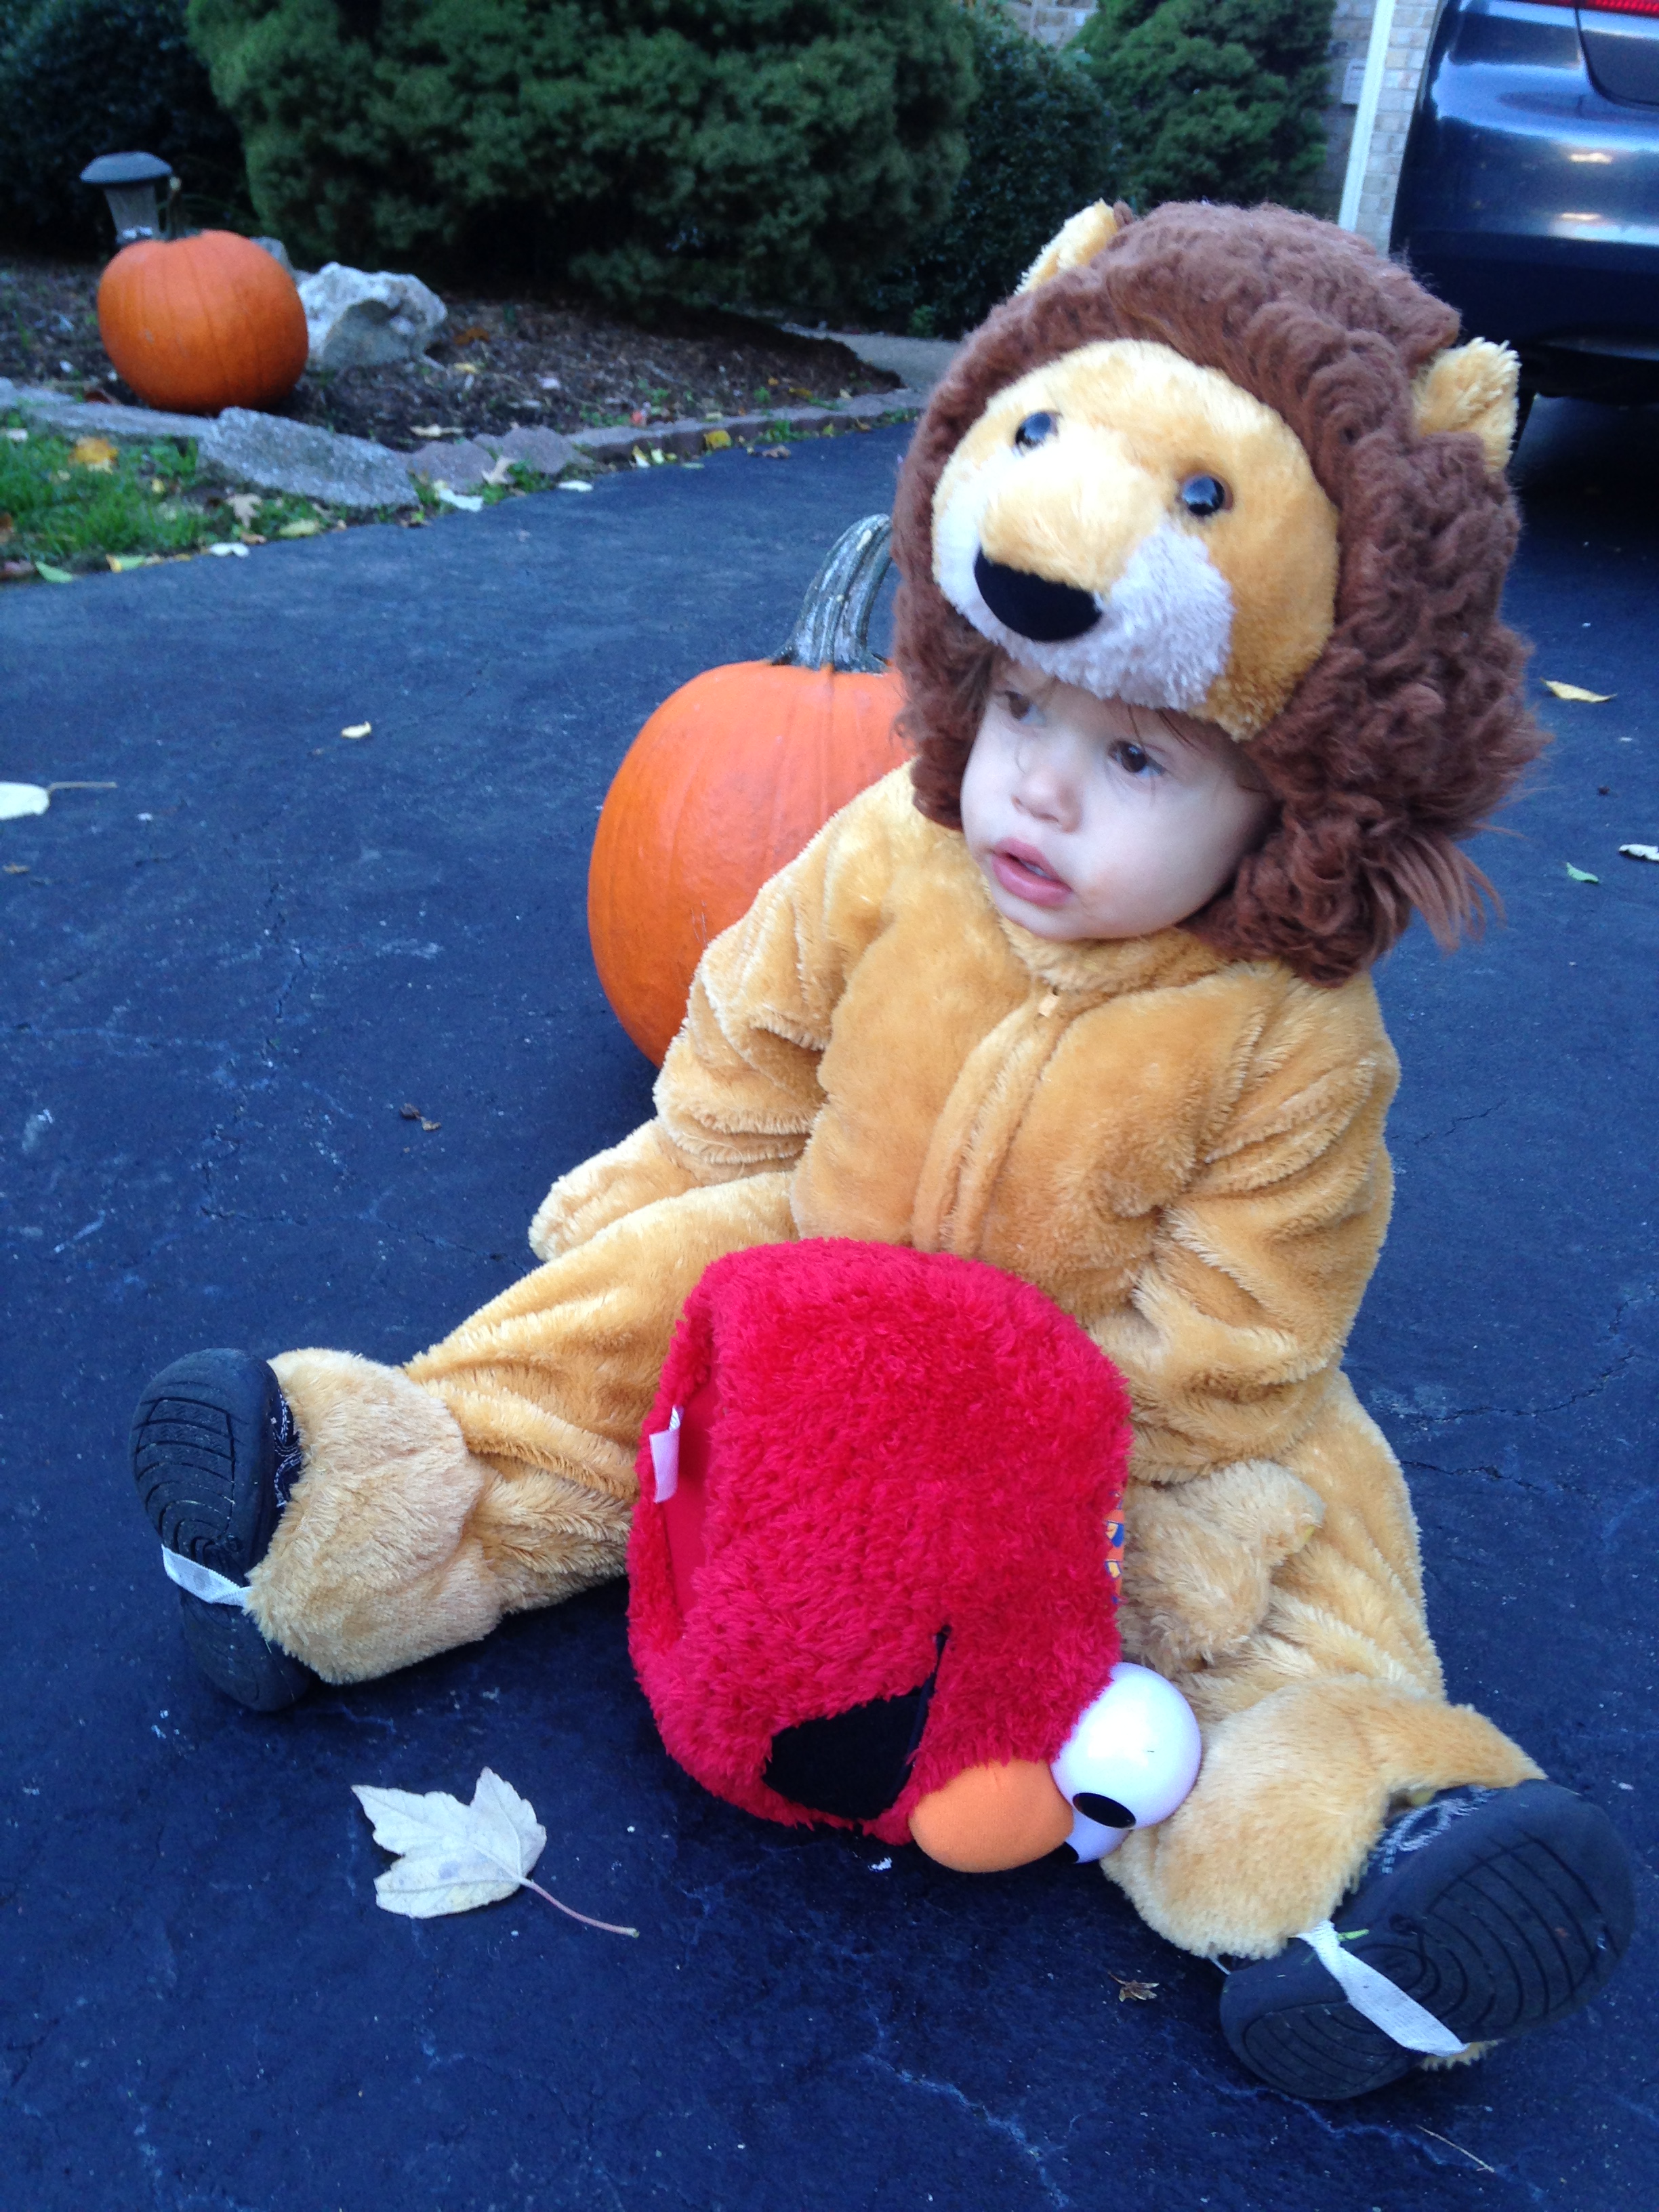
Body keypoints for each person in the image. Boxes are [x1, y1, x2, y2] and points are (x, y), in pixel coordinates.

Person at [131, 201, 1633, 2100]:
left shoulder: (1289, 1032)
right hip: (813, 1259)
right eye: (1023, 710)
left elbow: (1253, 1324)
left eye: (1139, 760)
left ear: (1294, 803)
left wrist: (1029, 1480)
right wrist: (672, 1181)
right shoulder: (893, 851)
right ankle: (358, 1519)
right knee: (607, 1337)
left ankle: (1351, 1854)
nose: (1039, 788)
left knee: (1288, 1540)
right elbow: (752, 1037)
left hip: (1120, 1402)